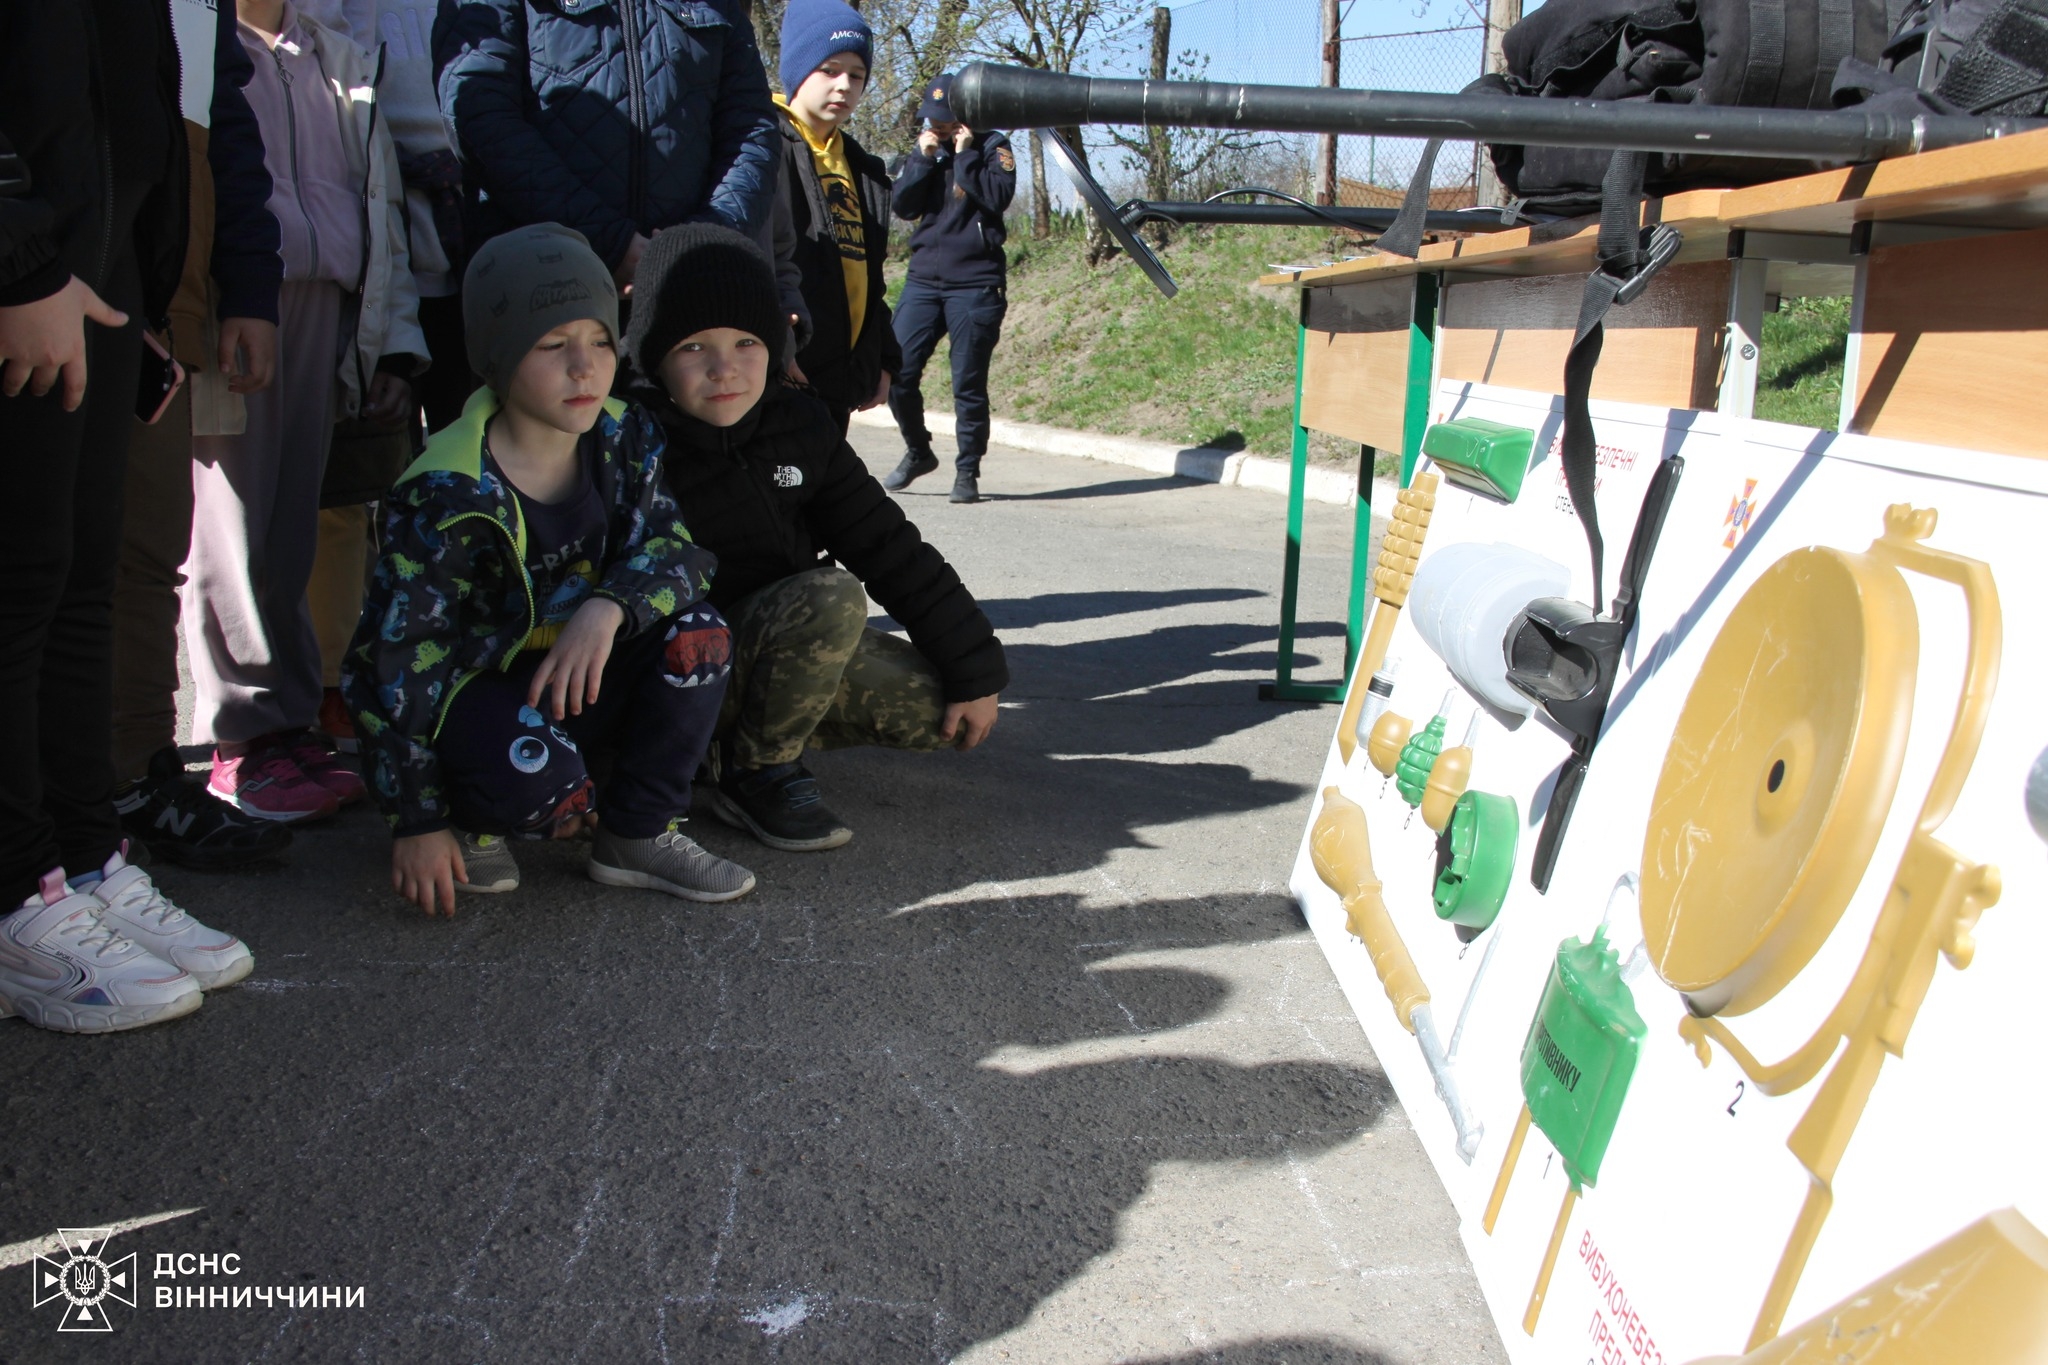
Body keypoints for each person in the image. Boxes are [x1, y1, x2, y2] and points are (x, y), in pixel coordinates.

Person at [343, 224, 754, 915]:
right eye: (551, 345)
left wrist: (610, 605)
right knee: (543, 786)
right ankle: (473, 819)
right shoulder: (445, 491)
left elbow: (680, 551)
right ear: (499, 359)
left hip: (576, 678)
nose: (585, 368)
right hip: (480, 702)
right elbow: (391, 665)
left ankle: (638, 832)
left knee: (698, 633)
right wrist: (416, 819)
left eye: (598, 340)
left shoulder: (624, 433)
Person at [1, 0, 256, 1035]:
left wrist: (146, 291)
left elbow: (138, 80)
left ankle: (83, 856)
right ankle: (18, 896)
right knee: (16, 587)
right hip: (27, 268)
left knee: (80, 581)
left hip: (101, 275)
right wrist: (14, 250)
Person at [629, 224, 1006, 853]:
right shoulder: (624, 439)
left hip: (769, 646)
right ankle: (760, 770)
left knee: (935, 706)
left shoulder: (799, 424)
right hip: (664, 668)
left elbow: (889, 547)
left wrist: (973, 668)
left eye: (748, 341)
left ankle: (725, 749)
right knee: (831, 597)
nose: (725, 370)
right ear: (653, 354)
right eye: (694, 347)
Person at [183, 0, 426, 824]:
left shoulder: (340, 57)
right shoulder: (198, 39)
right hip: (232, 302)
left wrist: (391, 339)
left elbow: (380, 204)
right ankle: (237, 741)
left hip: (328, 306)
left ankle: (286, 725)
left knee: (291, 524)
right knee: (229, 525)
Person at [110, 0, 297, 870]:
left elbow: (226, 131)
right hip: (65, 271)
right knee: (54, 563)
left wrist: (248, 284)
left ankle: (135, 779)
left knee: (145, 550)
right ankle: (68, 810)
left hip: (167, 292)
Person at [301, 0, 474, 759]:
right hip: (368, 252)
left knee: (478, 486)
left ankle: (470, 669)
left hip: (479, 255)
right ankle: (337, 685)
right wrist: (397, 347)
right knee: (347, 495)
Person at [434, 0, 781, 301]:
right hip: (542, 292)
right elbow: (479, 115)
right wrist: (606, 241)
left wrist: (701, 243)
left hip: (690, 293)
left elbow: (752, 128)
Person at [883, 72, 1017, 505]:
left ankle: (967, 472)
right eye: (932, 121)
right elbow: (903, 206)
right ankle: (919, 451)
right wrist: (923, 160)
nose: (937, 128)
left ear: (965, 119)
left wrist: (964, 155)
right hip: (923, 280)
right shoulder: (927, 151)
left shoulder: (994, 147)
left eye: (945, 122)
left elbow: (995, 200)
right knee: (896, 372)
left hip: (975, 284)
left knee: (968, 384)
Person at [770, 0, 900, 432]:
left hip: (838, 382)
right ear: (796, 69)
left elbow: (869, 277)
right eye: (829, 69)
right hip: (780, 373)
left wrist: (881, 358)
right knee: (784, 490)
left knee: (826, 495)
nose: (844, 85)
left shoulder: (862, 168)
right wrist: (774, 347)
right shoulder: (762, 146)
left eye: (857, 75)